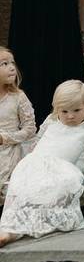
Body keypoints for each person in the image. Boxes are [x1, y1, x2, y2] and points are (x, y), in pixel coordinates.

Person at [0, 80, 84, 246]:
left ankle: (18, 231)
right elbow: (38, 140)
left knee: (54, 190)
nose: (70, 116)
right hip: (36, 161)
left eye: (77, 110)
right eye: (64, 111)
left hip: (61, 167)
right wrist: (30, 159)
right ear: (57, 109)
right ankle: (8, 229)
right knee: (21, 190)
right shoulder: (52, 120)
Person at [0, 48, 36, 198]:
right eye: (4, 63)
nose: (12, 67)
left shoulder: (18, 97)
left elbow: (30, 129)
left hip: (9, 152)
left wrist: (5, 138)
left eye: (12, 62)